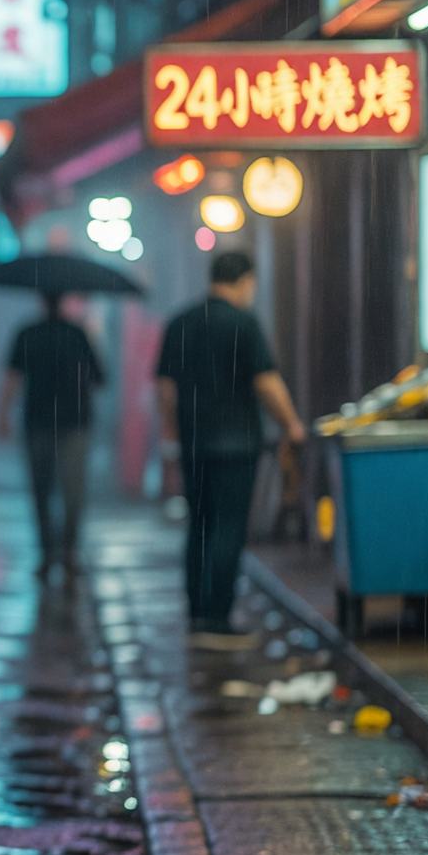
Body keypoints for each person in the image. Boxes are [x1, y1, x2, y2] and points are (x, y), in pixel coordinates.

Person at [155, 250, 307, 649]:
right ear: (244, 281)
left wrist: (175, 427)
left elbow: (165, 388)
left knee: (199, 526)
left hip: (194, 443)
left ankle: (197, 614)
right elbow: (266, 383)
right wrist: (290, 424)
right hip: (237, 445)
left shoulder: (180, 323)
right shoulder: (244, 324)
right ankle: (218, 620)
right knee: (227, 528)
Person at [0, 291, 103, 576]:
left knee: (41, 490)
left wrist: (3, 414)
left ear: (41, 302)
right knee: (73, 491)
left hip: (38, 420)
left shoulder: (28, 332)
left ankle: (47, 553)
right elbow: (100, 379)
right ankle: (68, 552)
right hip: (74, 421)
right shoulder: (78, 333)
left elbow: (13, 377)